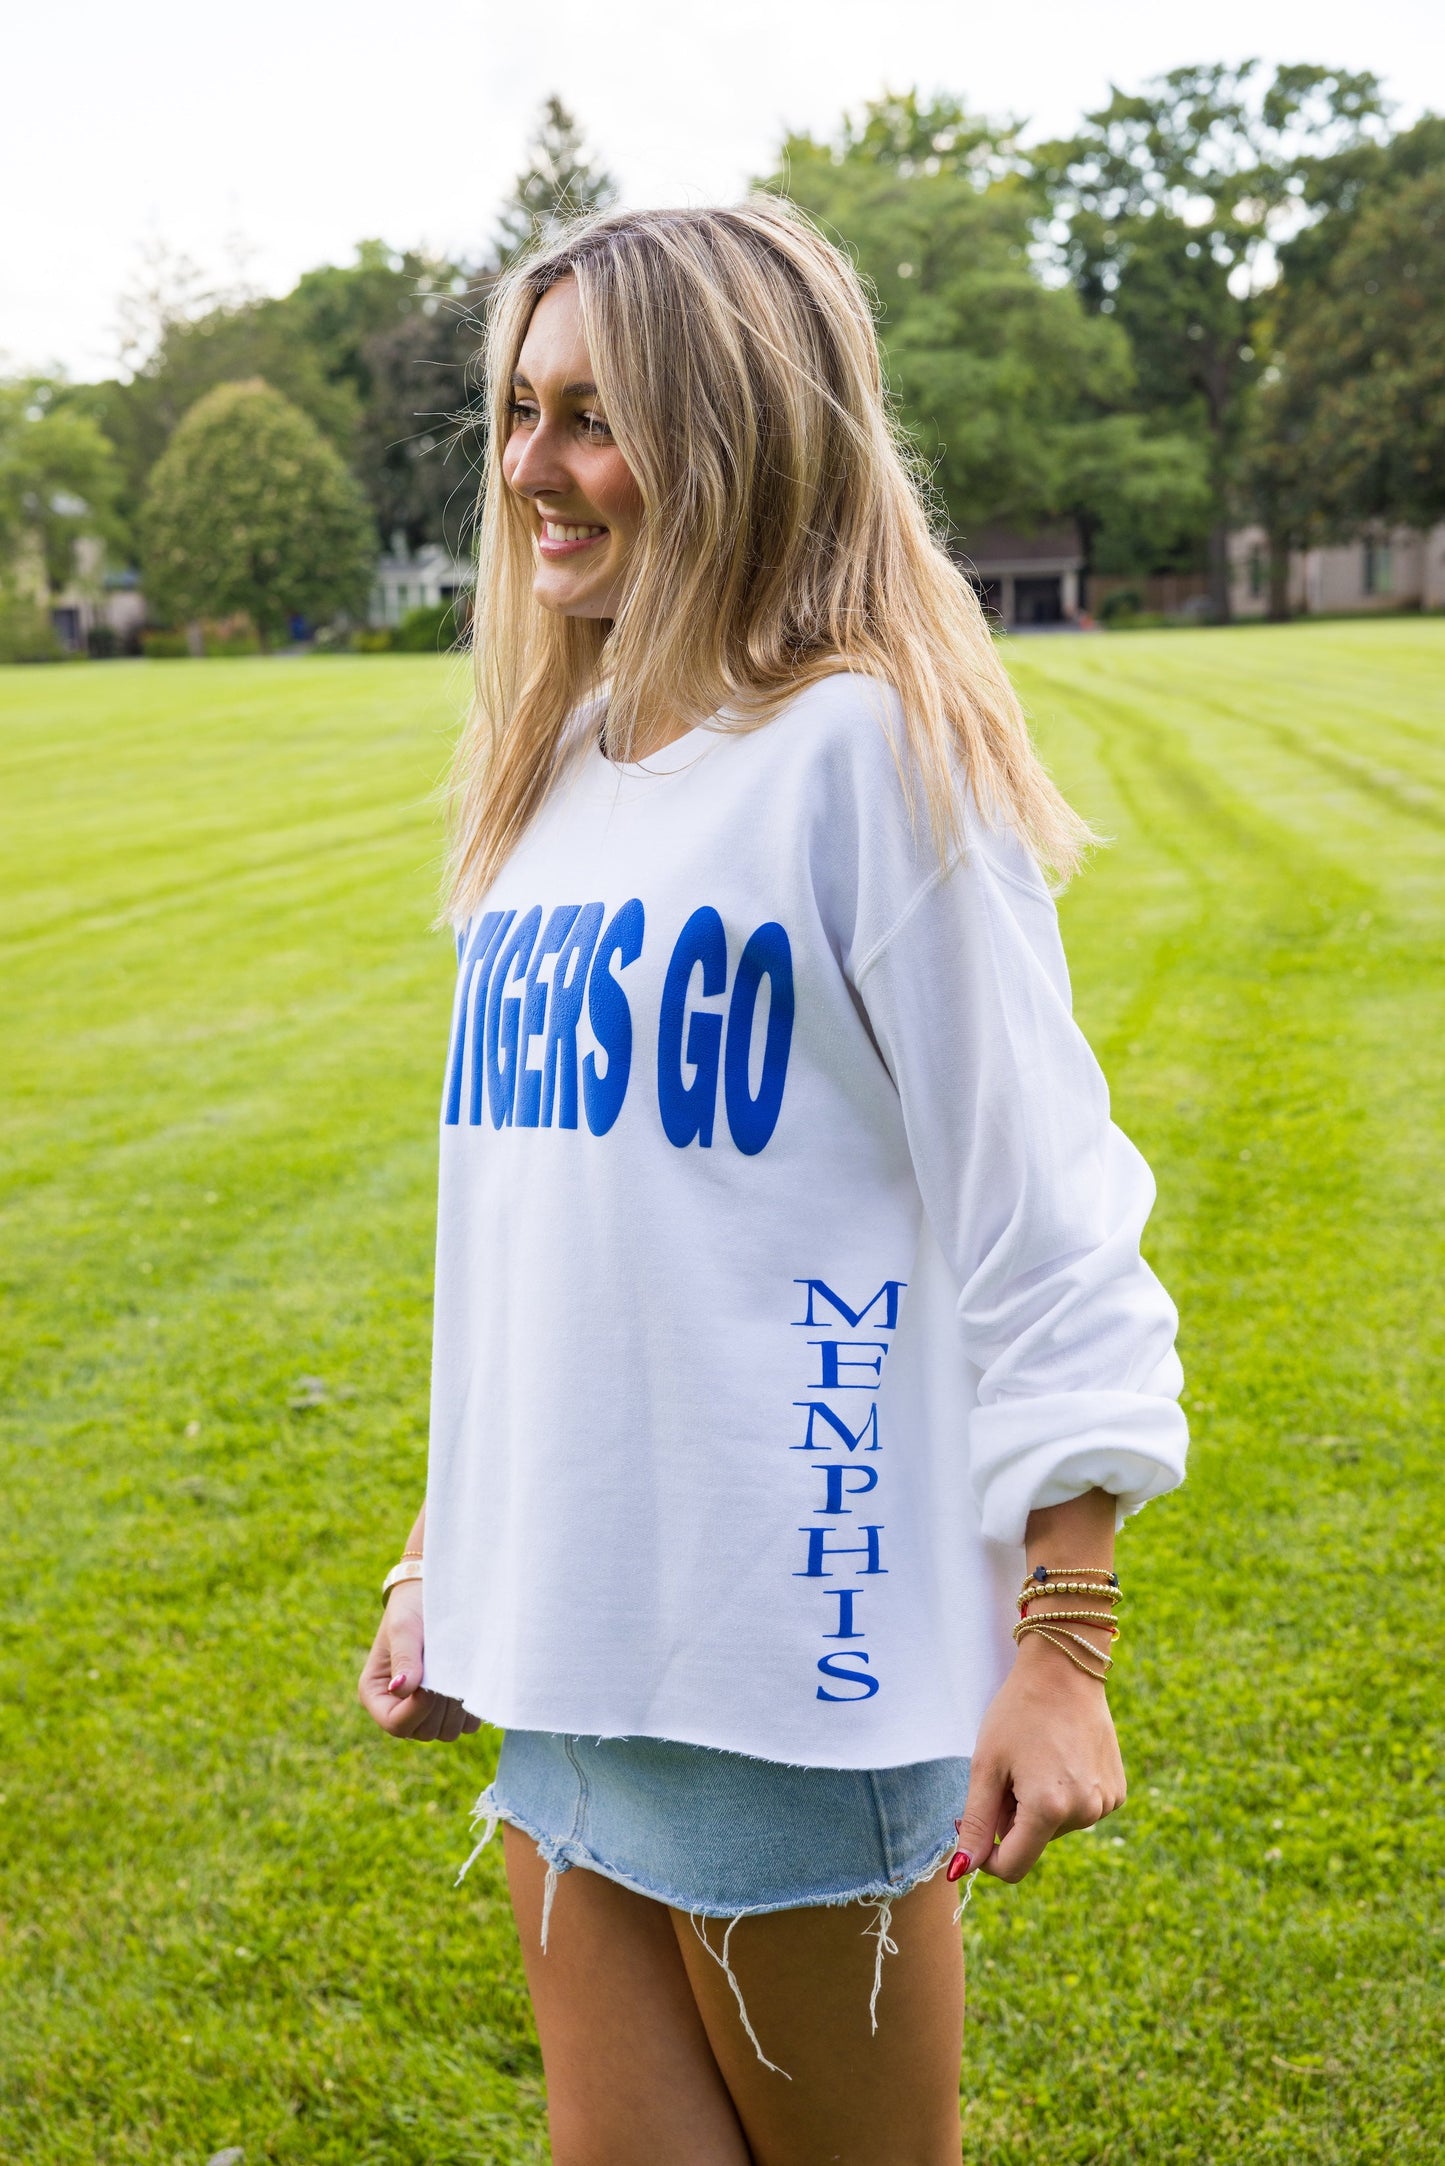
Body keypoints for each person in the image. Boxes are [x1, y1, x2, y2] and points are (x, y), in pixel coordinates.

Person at [358, 199, 1187, 2166]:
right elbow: (549, 1252)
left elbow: (1044, 1218)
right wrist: (441, 1555)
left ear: (732, 434)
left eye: (593, 416)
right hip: (572, 1662)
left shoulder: (868, 762)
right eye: (520, 407)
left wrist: (1064, 1648)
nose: (530, 466)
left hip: (793, 1678)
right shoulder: (547, 782)